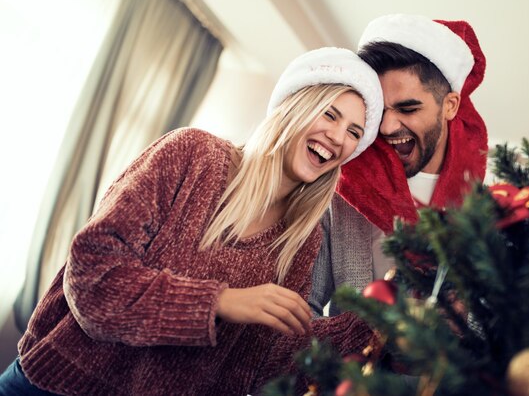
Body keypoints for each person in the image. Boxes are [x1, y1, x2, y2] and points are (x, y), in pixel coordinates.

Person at [0, 47, 383, 396]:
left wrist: (373, 328)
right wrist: (220, 301)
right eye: (330, 113)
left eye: (354, 132)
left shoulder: (303, 240)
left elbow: (261, 365)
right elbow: (93, 276)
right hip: (50, 387)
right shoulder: (192, 155)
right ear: (294, 105)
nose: (337, 137)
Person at [309, 14, 488, 317]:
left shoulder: (489, 212)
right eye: (380, 110)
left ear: (450, 105)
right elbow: (303, 306)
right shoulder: (342, 189)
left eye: (408, 108)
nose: (388, 126)